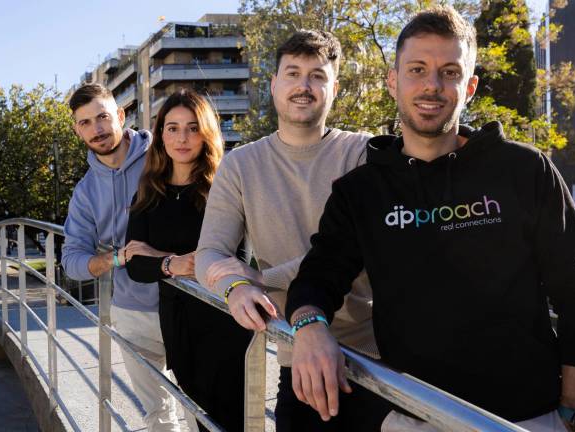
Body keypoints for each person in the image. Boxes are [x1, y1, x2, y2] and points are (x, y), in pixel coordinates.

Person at [285, 7, 575, 432]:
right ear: (392, 80)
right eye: (417, 69)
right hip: (414, 416)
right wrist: (309, 327)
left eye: (449, 72)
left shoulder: (525, 170)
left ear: (469, 86)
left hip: (528, 418)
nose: (432, 86)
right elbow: (316, 279)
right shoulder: (360, 192)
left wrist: (571, 410)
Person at [195, 30, 386, 431]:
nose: (304, 85)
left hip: (374, 359)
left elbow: (363, 248)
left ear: (334, 87)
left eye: (317, 75)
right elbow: (210, 253)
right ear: (273, 84)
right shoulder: (241, 165)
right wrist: (236, 286)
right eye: (293, 73)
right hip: (294, 353)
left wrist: (263, 279)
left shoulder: (365, 153)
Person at [123, 89, 253, 432]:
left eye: (193, 128)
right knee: (196, 410)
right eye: (172, 127)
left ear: (206, 132)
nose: (182, 138)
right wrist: (174, 264)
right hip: (177, 318)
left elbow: (234, 258)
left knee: (227, 416)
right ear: (161, 134)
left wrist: (159, 258)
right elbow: (135, 264)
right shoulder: (149, 191)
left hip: (224, 320)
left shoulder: (224, 186)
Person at [61, 84, 181, 432]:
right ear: (76, 130)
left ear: (121, 116)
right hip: (132, 312)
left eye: (102, 117)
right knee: (159, 416)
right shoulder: (85, 192)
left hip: (187, 300)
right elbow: (71, 261)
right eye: (85, 123)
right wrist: (116, 259)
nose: (96, 129)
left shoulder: (163, 155)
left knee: (200, 409)